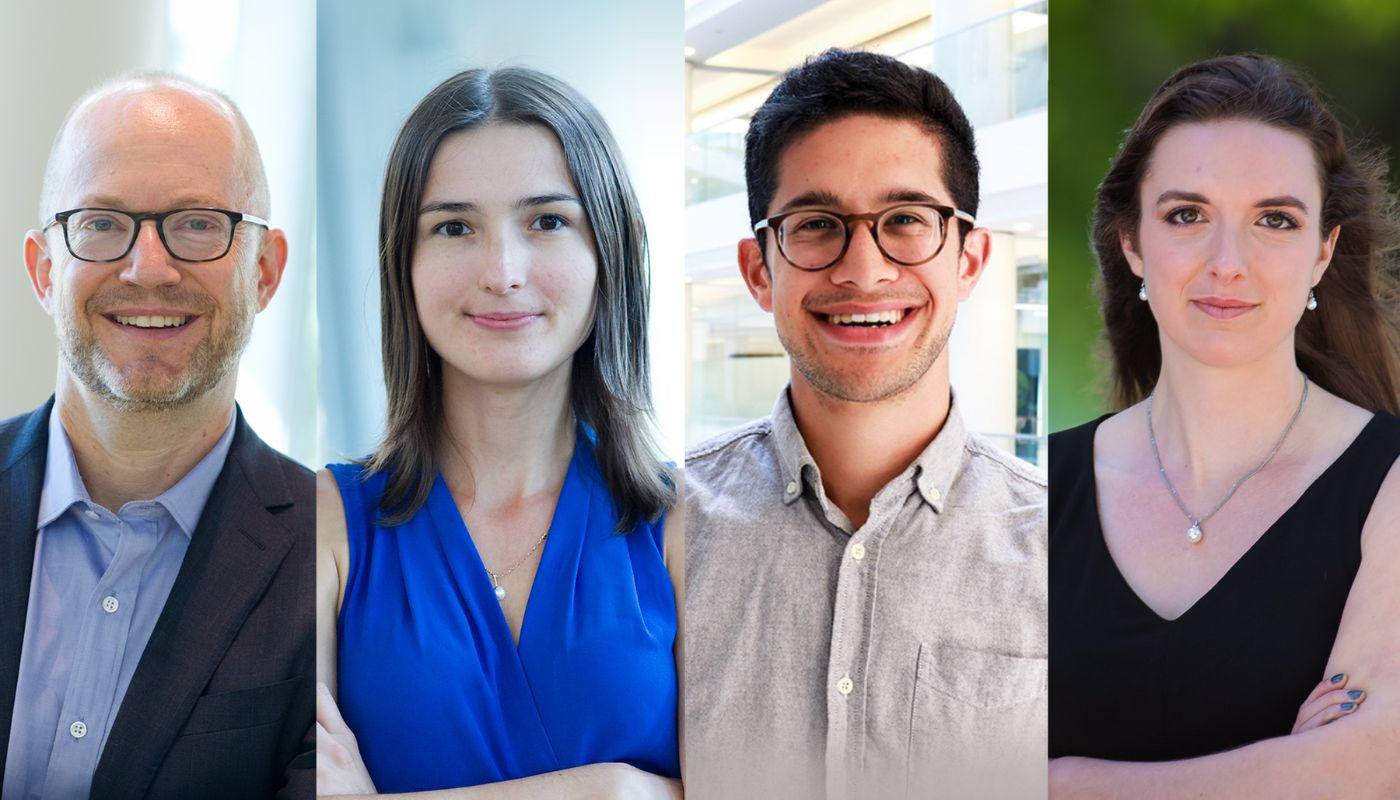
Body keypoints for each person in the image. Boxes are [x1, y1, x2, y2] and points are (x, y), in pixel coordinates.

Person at [684, 48, 1047, 800]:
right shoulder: (656, 530)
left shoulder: (1067, 550)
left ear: (971, 260)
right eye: (817, 224)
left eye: (906, 220)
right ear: (760, 271)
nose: (863, 268)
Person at [315, 67, 682, 799]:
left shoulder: (691, 525)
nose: (502, 272)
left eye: (547, 221)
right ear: (404, 266)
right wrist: (619, 792)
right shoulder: (321, 521)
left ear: (609, 250)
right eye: (454, 227)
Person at [1049, 54, 1400, 797]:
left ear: (1322, 253)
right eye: (1187, 215)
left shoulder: (1390, 481)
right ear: (1133, 244)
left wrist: (1062, 781)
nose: (1228, 262)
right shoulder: (1029, 489)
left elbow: (1374, 762)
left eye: (1275, 220)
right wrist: (1287, 770)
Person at [0, 73, 312, 799]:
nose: (149, 268)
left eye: (200, 223)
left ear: (264, 273)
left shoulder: (336, 564)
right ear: (45, 271)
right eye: (102, 223)